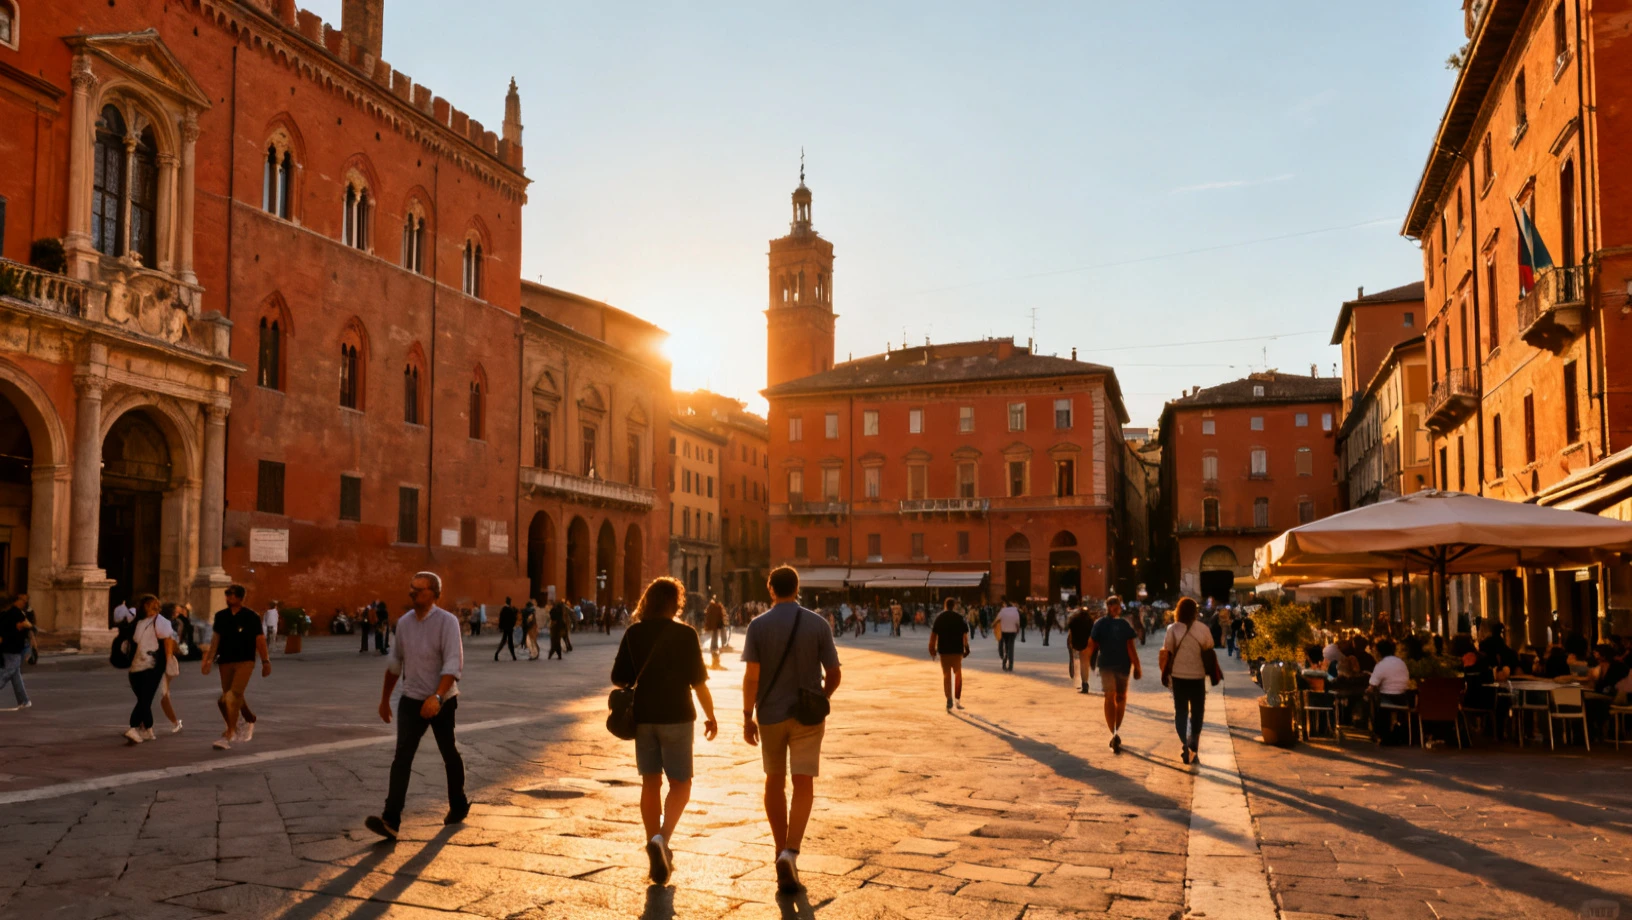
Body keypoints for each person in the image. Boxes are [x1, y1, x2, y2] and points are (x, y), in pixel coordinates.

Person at [610, 577, 718, 884]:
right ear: (675, 603)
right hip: (679, 716)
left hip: (644, 717)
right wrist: (711, 716)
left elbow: (619, 677)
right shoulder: (685, 634)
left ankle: (652, 837)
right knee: (681, 784)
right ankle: (662, 839)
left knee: (651, 782)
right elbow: (699, 682)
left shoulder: (634, 633)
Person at [742, 566, 841, 896]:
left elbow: (751, 678)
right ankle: (791, 851)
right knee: (803, 782)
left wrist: (746, 715)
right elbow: (835, 672)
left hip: (769, 714)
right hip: (807, 716)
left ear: (771, 590)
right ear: (797, 588)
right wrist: (821, 697)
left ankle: (778, 848)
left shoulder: (757, 626)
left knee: (774, 780)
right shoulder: (817, 624)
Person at [366, 572, 468, 840]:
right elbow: (395, 664)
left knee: (449, 751)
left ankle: (458, 804)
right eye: (411, 591)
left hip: (442, 699)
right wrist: (384, 699)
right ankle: (391, 820)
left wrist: (437, 697)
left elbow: (453, 664)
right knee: (402, 757)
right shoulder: (404, 623)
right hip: (411, 699)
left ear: (434, 594)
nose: (412, 595)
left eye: (418, 591)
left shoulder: (448, 622)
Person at [202, 585, 269, 751]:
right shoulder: (221, 616)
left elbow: (260, 639)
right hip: (225, 661)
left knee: (232, 696)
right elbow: (216, 639)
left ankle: (229, 733)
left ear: (240, 598)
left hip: (245, 660)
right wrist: (209, 660)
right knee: (225, 699)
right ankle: (248, 718)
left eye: (231, 595)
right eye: (227, 594)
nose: (228, 597)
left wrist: (265, 661)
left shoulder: (251, 617)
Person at [1160, 597, 1213, 765]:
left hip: (1178, 677)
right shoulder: (1203, 629)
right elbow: (1209, 647)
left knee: (1181, 711)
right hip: (1197, 677)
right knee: (1197, 711)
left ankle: (1184, 742)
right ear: (1195, 612)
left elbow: (1167, 650)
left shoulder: (1172, 629)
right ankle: (1193, 744)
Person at [1086, 595, 1142, 754]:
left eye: (1116, 604)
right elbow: (1093, 644)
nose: (1115, 607)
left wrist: (1137, 666)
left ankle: (1115, 731)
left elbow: (1130, 646)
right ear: (1109, 607)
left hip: (1119, 665)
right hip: (1110, 666)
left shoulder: (1122, 624)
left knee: (1118, 697)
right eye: (1113, 605)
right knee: (1113, 697)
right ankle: (1114, 732)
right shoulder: (1105, 624)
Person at [123, 595, 176, 744]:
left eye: (156, 604)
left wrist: (169, 659)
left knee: (145, 698)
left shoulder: (160, 621)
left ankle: (134, 727)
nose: (154, 607)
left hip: (153, 665)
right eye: (150, 604)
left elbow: (168, 641)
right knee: (143, 699)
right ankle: (147, 729)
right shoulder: (137, 623)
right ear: (143, 606)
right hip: (136, 666)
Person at [1367, 638, 1412, 744]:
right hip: (1403, 698)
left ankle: (1377, 730)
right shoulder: (1401, 663)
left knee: (1370, 699)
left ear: (1379, 652)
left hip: (1387, 698)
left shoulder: (1381, 665)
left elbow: (1372, 685)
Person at [928, 597, 969, 711]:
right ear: (954, 605)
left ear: (945, 605)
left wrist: (932, 649)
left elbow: (934, 635)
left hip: (944, 652)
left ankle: (949, 699)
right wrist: (966, 648)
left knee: (946, 675)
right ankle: (957, 699)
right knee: (958, 674)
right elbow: (964, 635)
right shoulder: (960, 618)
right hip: (957, 651)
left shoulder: (940, 618)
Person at [156, 602, 185, 733]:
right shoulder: (167, 624)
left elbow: (170, 646)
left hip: (163, 662)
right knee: (160, 694)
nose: (177, 614)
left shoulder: (168, 626)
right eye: (176, 612)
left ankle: (175, 722)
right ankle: (143, 724)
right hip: (160, 661)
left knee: (162, 694)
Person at [1, 593, 34, 709]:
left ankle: (24, 700)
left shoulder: (5, 614)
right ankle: (24, 700)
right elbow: (24, 625)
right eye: (23, 600)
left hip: (7, 648)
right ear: (16, 601)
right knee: (5, 674)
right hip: (13, 649)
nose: (24, 602)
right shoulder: (15, 613)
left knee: (16, 676)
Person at [1066, 603, 1093, 693]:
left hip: (1079, 643)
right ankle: (1085, 683)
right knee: (1085, 664)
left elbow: (1071, 632)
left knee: (1082, 663)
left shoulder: (1074, 620)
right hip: (1088, 644)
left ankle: (1083, 684)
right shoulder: (1090, 620)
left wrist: (1070, 643)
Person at [994, 598, 1021, 671]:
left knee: (1006, 647)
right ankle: (1011, 666)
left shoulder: (1003, 611)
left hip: (1004, 632)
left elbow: (997, 620)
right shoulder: (1015, 611)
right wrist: (1017, 630)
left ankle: (1004, 663)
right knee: (1011, 648)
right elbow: (1018, 622)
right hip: (1013, 632)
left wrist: (995, 626)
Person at [704, 596, 728, 670]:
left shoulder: (711, 607)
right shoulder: (717, 607)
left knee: (714, 636)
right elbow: (720, 615)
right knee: (715, 636)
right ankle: (714, 646)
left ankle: (714, 646)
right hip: (716, 624)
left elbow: (708, 616)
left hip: (714, 624)